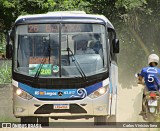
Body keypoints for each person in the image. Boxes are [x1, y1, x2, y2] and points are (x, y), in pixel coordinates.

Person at [138, 54, 160, 119]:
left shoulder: (144, 70)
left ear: (149, 61)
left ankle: (143, 111)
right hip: (157, 91)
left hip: (147, 91)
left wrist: (140, 82)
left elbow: (140, 79)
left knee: (143, 96)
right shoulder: (159, 71)